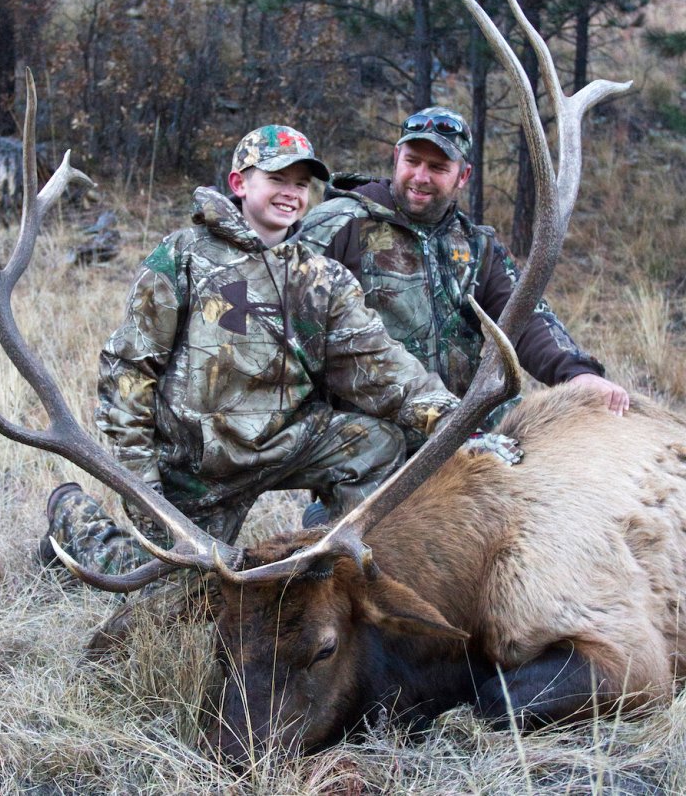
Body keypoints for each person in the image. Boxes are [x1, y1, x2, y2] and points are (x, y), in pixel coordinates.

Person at [41, 124, 520, 589]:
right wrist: (143, 489)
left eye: (301, 183)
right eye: (276, 179)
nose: (291, 193)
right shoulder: (184, 256)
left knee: (377, 442)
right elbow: (128, 372)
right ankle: (73, 516)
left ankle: (338, 573)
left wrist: (460, 428)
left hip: (284, 445)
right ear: (239, 183)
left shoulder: (321, 278)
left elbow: (382, 365)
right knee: (178, 596)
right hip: (197, 469)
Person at [300, 106, 630, 435]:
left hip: (460, 425)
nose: (421, 177)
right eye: (412, 161)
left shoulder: (477, 246)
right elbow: (288, 322)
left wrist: (577, 373)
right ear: (396, 157)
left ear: (464, 175)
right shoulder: (339, 223)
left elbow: (525, 315)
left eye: (438, 167)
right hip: (370, 432)